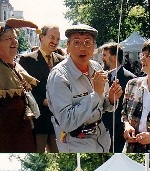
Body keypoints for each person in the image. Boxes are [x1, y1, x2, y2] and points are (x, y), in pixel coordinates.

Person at [46, 24, 123, 152]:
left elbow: (104, 106)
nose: (82, 48)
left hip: (101, 139)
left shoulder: (97, 67)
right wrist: (96, 94)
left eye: (88, 42)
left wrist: (111, 99)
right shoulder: (59, 76)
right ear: (68, 47)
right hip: (75, 142)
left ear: (94, 47)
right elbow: (66, 121)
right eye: (76, 42)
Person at [0, 18, 41, 152]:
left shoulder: (18, 67)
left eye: (15, 38)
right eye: (9, 38)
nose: (15, 41)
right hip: (1, 137)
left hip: (23, 132)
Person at [19, 25, 64, 153]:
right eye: (52, 37)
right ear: (41, 37)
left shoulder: (62, 61)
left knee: (58, 154)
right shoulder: (27, 60)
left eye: (57, 39)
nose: (55, 42)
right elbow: (24, 90)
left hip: (58, 122)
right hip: (38, 120)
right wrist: (43, 101)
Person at [101, 42, 135, 152]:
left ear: (114, 57)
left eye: (105, 55)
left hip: (118, 131)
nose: (102, 58)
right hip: (101, 129)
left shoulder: (129, 78)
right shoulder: (101, 76)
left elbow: (131, 107)